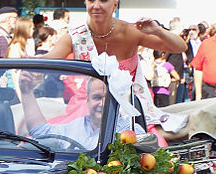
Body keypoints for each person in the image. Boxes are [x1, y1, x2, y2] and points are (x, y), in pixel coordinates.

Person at [42, 0, 187, 141]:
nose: (96, 5)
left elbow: (180, 47)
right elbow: (47, 61)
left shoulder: (131, 31)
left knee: (152, 145)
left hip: (129, 106)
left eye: (103, 0)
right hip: (90, 107)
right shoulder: (75, 37)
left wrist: (158, 31)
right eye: (91, 0)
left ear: (115, 4)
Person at [21, 76, 142, 151]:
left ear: (118, 101)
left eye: (108, 98)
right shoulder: (72, 128)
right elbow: (39, 132)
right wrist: (26, 92)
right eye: (97, 97)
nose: (102, 104)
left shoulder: (130, 129)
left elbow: (148, 153)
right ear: (87, 100)